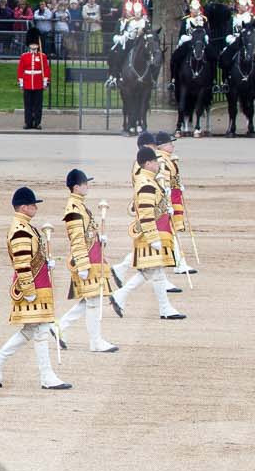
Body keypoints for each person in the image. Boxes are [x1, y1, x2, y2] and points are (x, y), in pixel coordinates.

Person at [0, 187, 68, 390]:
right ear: (23, 207)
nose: (35, 208)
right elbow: (22, 263)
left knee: (32, 330)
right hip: (32, 287)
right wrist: (28, 290)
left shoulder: (26, 226)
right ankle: (46, 376)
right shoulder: (20, 229)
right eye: (32, 205)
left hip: (38, 285)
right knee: (41, 331)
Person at [113, 148, 185, 320]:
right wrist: (153, 239)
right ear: (148, 163)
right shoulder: (146, 182)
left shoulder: (149, 180)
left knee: (152, 272)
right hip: (152, 234)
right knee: (156, 272)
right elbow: (146, 213)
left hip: (156, 232)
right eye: (154, 162)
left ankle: (121, 296)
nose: (157, 165)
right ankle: (164, 308)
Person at [54, 169, 120, 352]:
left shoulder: (79, 205)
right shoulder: (74, 208)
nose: (87, 186)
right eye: (85, 184)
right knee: (93, 301)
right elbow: (76, 238)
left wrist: (99, 238)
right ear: (76, 187)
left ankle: (60, 326)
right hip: (87, 260)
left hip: (92, 255)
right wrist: (82, 264)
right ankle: (95, 341)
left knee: (90, 300)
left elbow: (86, 233)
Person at [16, 24, 50, 129]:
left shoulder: (42, 56)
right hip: (27, 82)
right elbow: (21, 70)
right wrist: (21, 83)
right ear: (29, 44)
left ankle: (37, 122)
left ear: (38, 45)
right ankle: (28, 122)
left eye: (35, 43)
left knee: (37, 105)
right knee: (28, 104)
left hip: (38, 82)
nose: (34, 45)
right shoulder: (24, 56)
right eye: (32, 44)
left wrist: (45, 82)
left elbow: (46, 70)